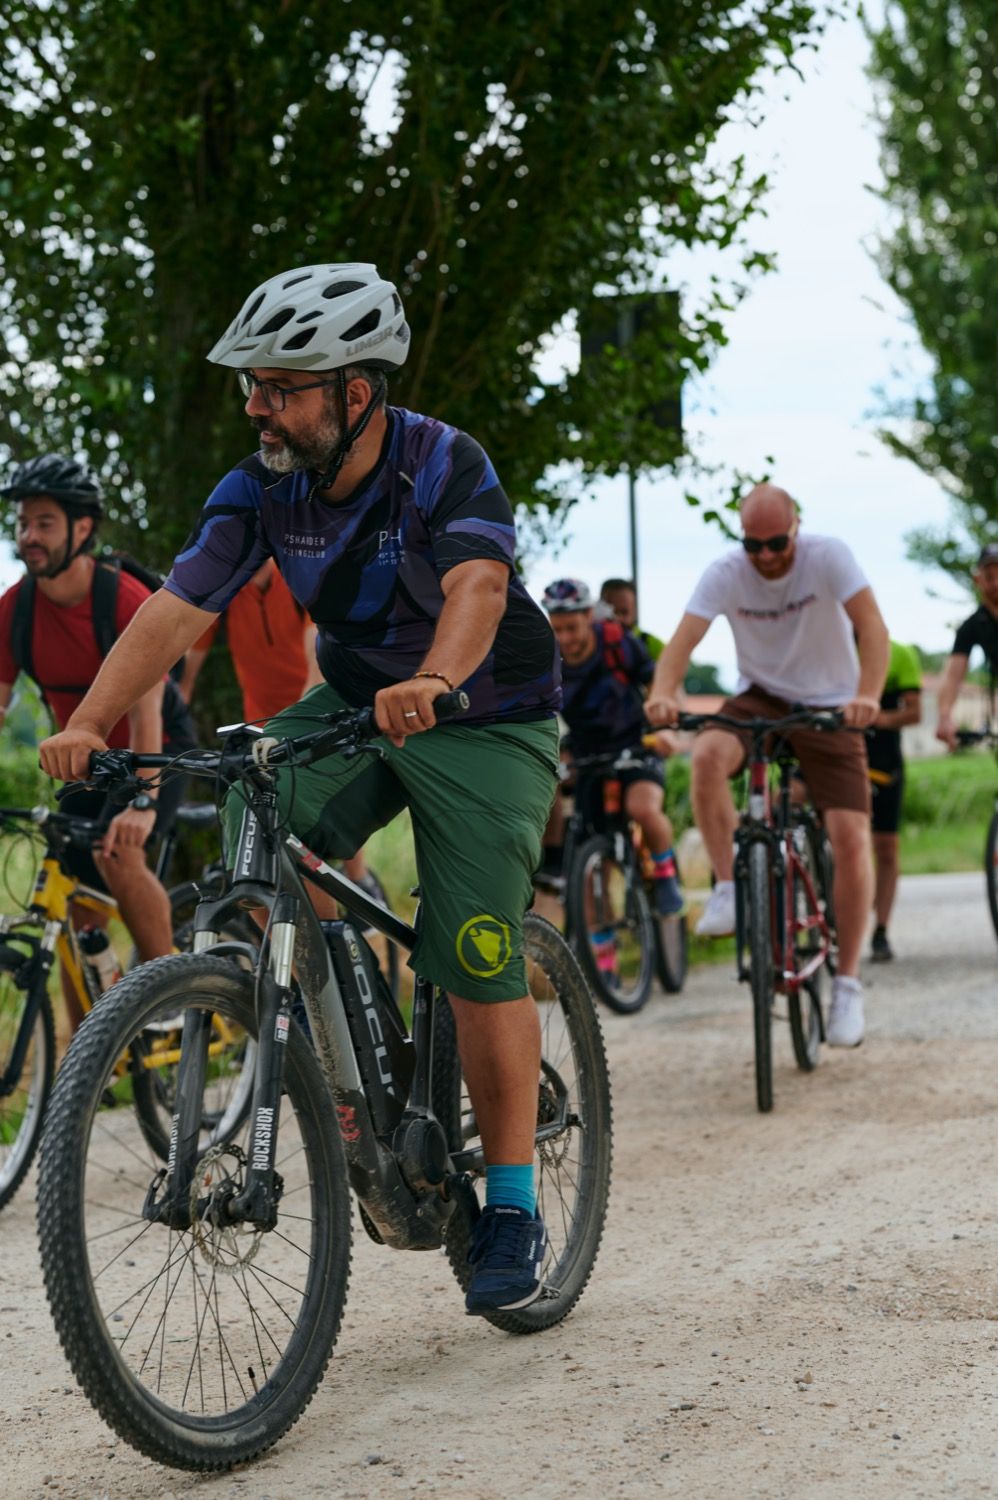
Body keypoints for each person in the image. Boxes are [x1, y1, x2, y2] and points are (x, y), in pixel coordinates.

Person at [38, 262, 562, 1317]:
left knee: (470, 944)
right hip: (357, 702)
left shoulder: (442, 462)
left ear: (354, 391)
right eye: (252, 385)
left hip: (486, 711)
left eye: (279, 386)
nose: (255, 406)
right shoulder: (260, 485)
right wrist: (92, 718)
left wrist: (434, 678)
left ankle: (509, 1203)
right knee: (251, 809)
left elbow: (478, 587)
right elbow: (178, 608)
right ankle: (345, 1053)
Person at [646, 483, 888, 1048]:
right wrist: (663, 692)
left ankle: (848, 983)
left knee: (851, 835)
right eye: (753, 545)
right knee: (706, 752)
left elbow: (872, 626)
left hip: (831, 700)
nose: (766, 556)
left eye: (777, 543)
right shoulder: (726, 571)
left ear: (797, 528)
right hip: (761, 696)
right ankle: (731, 883)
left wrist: (868, 695)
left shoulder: (830, 556)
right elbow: (682, 642)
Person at [0, 455, 196, 1026]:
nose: (28, 537)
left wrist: (142, 799)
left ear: (82, 529)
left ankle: (170, 999)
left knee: (118, 852)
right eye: (22, 524)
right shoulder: (14, 611)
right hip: (84, 760)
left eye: (44, 523)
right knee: (68, 896)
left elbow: (148, 707)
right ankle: (93, 1050)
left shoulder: (123, 599)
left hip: (154, 745)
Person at [180, 555, 379, 897]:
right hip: (262, 714)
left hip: (312, 706)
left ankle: (360, 881)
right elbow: (191, 660)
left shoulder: (293, 576)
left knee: (321, 788)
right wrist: (175, 708)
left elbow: (316, 650)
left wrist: (302, 716)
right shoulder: (225, 589)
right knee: (261, 799)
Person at [541, 578, 682, 942]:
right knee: (590, 865)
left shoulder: (617, 642)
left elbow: (655, 683)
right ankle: (600, 957)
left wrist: (664, 726)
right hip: (587, 749)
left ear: (589, 615)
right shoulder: (547, 657)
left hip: (636, 741)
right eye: (558, 629)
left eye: (572, 627)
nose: (567, 638)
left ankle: (666, 877)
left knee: (643, 808)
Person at [867, 640, 922, 962]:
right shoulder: (824, 647)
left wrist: (876, 719)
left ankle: (881, 931)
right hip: (835, 751)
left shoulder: (899, 653)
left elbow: (914, 712)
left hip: (883, 758)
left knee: (886, 846)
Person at [935, 542, 998, 749]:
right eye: (989, 577)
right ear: (977, 579)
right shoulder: (973, 626)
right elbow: (952, 676)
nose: (996, 583)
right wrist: (945, 716)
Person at [599, 577, 666, 661]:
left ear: (635, 611)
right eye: (611, 612)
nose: (617, 619)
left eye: (624, 612)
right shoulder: (587, 646)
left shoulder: (652, 645)